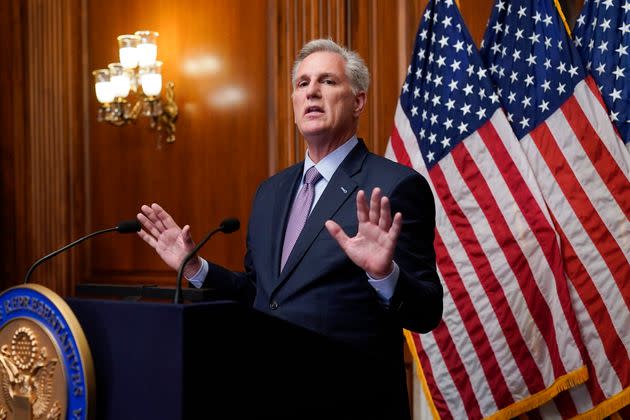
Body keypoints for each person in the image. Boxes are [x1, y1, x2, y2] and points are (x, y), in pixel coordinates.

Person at [137, 38, 442, 419]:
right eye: (302, 83)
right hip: (269, 397)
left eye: (328, 81)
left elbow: (427, 311)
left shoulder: (394, 186)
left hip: (352, 403)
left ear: (358, 102)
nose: (312, 90)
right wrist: (196, 267)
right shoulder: (271, 192)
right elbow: (261, 294)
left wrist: (384, 274)